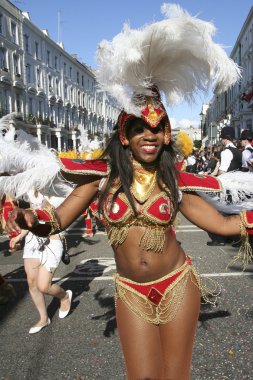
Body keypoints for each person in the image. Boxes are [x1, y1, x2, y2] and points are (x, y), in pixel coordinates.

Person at [3, 4, 250, 379]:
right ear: (125, 134)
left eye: (155, 129)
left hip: (178, 284)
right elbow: (58, 220)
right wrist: (30, 219)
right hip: (131, 291)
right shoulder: (101, 176)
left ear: (166, 134)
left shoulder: (174, 179)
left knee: (175, 375)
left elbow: (219, 222)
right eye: (139, 128)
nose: (148, 136)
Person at [9, 189, 72, 334]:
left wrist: (47, 206)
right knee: (32, 281)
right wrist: (19, 236)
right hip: (33, 238)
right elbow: (31, 220)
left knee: (44, 286)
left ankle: (64, 296)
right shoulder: (32, 191)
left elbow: (59, 218)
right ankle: (43, 318)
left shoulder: (58, 188)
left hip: (52, 237)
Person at [207, 126, 242, 246]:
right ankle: (236, 238)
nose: (221, 140)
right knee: (234, 212)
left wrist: (215, 178)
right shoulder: (238, 151)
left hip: (227, 185)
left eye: (222, 137)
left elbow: (222, 171)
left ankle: (220, 239)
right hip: (237, 185)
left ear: (225, 138)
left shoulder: (226, 152)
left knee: (220, 212)